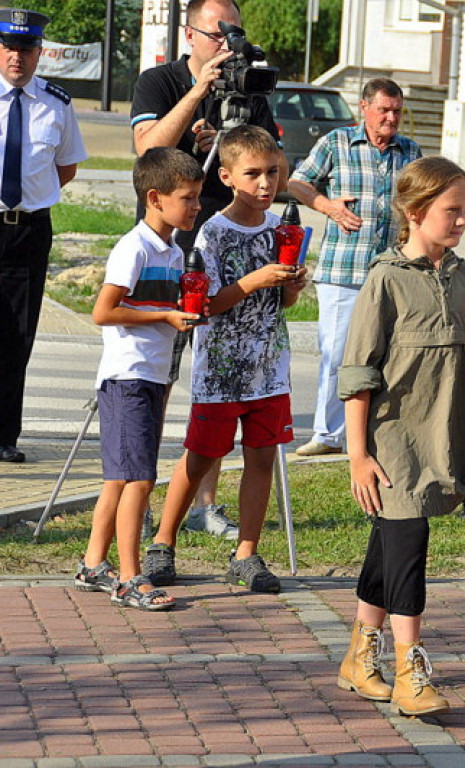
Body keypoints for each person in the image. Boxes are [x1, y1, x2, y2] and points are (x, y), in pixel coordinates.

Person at [335, 156, 465, 717]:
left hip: (445, 443)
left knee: (390, 544)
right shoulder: (385, 280)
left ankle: (360, 655)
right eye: (451, 211)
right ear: (415, 212)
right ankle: (410, 668)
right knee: (408, 546)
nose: (460, 221)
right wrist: (358, 456)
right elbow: (357, 376)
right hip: (393, 445)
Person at [131, 0, 286, 538]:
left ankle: (207, 504)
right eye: (216, 34)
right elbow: (147, 148)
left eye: (234, 34)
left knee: (219, 385)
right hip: (169, 254)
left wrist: (217, 143)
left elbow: (269, 165)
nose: (226, 44)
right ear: (190, 33)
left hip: (227, 249)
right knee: (158, 378)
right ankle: (140, 495)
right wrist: (199, 93)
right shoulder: (161, 80)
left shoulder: (250, 90)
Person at [143, 126, 307, 593]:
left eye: (272, 173)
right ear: (228, 176)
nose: (265, 184)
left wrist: (290, 287)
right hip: (220, 370)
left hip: (268, 368)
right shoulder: (211, 233)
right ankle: (163, 542)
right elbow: (205, 305)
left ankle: (247, 552)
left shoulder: (283, 230)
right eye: (252, 174)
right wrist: (256, 280)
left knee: (262, 459)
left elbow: (284, 305)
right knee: (201, 456)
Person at [74, 147, 204, 611]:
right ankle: (130, 577)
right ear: (155, 197)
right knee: (138, 481)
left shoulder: (171, 251)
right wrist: (166, 315)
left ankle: (94, 563)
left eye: (197, 197)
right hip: (127, 378)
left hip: (150, 377)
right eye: (187, 198)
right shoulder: (135, 247)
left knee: (119, 479)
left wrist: (182, 313)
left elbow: (159, 309)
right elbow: (103, 311)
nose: (195, 206)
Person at [289, 78, 422, 458]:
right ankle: (327, 434)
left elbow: (423, 196)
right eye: (384, 110)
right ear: (364, 108)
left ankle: (369, 434)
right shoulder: (336, 143)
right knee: (336, 352)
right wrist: (328, 206)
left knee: (387, 356)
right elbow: (297, 182)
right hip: (343, 270)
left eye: (397, 111)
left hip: (391, 272)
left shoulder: (409, 150)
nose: (391, 118)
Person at [0, 8, 87, 464]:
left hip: (28, 230)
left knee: (17, 334)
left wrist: (30, 197)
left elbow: (66, 166)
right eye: (10, 47)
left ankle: (4, 434)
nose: (18, 57)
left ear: (40, 53)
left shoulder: (57, 102)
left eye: (27, 48)